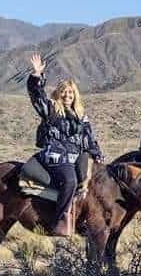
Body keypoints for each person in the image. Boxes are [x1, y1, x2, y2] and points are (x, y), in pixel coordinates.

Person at [27, 52, 104, 236]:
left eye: (71, 92)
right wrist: (36, 76)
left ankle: (82, 218)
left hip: (76, 156)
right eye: (64, 92)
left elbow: (89, 139)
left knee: (91, 181)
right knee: (70, 180)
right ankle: (59, 220)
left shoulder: (80, 116)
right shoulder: (52, 110)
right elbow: (37, 98)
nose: (68, 95)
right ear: (59, 94)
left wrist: (98, 154)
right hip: (56, 156)